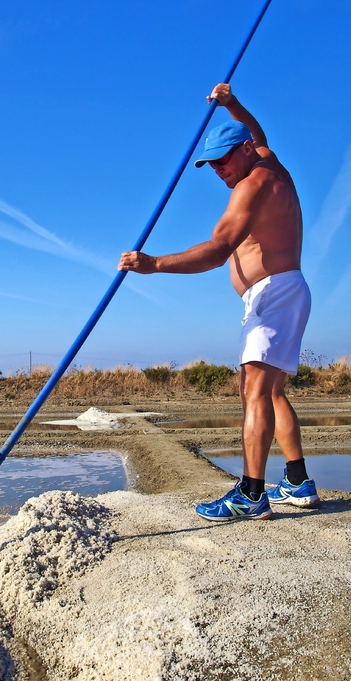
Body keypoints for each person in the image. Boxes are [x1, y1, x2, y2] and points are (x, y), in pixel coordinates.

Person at [119, 83, 319, 521]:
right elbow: (258, 131)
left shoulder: (255, 185)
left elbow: (218, 249)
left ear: (245, 152)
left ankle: (251, 493)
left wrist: (154, 264)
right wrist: (233, 104)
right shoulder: (267, 161)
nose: (220, 171)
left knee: (253, 389)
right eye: (212, 165)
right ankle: (298, 481)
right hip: (275, 293)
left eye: (224, 160)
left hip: (275, 292)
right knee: (271, 392)